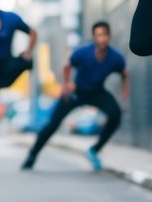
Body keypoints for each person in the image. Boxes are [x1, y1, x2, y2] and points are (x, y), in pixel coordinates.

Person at [22, 22, 128, 171]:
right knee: (52, 124)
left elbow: (125, 74)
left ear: (109, 36)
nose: (102, 38)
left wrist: (123, 99)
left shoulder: (115, 57)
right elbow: (66, 65)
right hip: (76, 93)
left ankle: (94, 150)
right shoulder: (83, 52)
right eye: (98, 35)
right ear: (94, 37)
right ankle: (32, 154)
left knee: (115, 114)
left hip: (97, 92)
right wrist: (66, 85)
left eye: (104, 35)